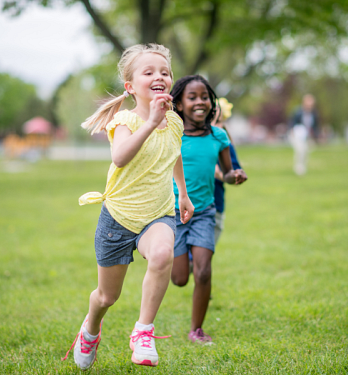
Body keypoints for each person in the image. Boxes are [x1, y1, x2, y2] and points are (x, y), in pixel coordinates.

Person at [61, 44, 194, 370]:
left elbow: (173, 154)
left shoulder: (174, 122)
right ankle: (91, 329)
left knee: (163, 254)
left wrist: (184, 194)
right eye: (148, 72)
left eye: (164, 72)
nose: (159, 77)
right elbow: (120, 156)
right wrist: (150, 122)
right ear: (131, 87)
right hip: (118, 219)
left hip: (158, 213)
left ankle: (143, 332)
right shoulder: (125, 120)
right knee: (107, 297)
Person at [169, 75, 247, 343]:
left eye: (204, 97)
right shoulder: (171, 134)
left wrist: (233, 176)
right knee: (179, 279)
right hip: (173, 214)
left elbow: (225, 173)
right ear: (179, 104)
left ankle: (196, 329)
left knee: (203, 271)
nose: (200, 102)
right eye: (192, 97)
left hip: (204, 212)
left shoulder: (218, 135)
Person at [212, 98, 247, 244]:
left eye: (218, 121)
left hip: (214, 206)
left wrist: (230, 175)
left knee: (197, 260)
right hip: (184, 207)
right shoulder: (188, 139)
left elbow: (234, 172)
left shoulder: (224, 143)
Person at [290, 94, 319, 175]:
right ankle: (298, 168)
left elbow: (315, 126)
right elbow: (292, 122)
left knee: (306, 151)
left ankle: (303, 166)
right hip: (297, 134)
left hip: (307, 136)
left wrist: (315, 136)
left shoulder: (314, 114)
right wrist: (292, 132)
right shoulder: (298, 112)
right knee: (300, 150)